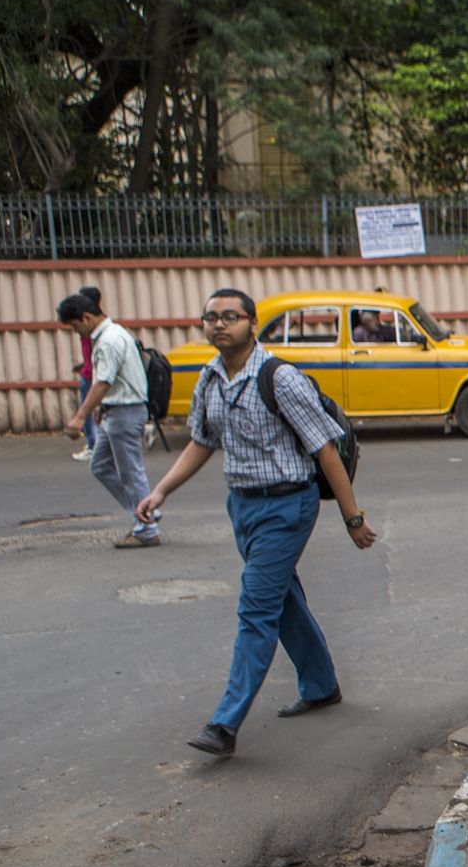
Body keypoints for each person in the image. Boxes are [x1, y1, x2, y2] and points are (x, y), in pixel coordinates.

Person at [136, 288, 378, 757]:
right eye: (210, 317)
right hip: (243, 506)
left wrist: (352, 518)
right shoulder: (209, 379)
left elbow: (325, 448)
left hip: (288, 506)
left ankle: (225, 724)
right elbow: (202, 442)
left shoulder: (279, 378)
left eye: (230, 316)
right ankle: (321, 685)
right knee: (281, 596)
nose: (219, 325)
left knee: (256, 606)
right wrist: (161, 489)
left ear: (251, 323)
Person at [58, 290, 160, 548]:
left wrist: (79, 417)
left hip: (125, 412)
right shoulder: (112, 334)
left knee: (131, 473)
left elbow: (104, 381)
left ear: (86, 317)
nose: (75, 332)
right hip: (115, 411)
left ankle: (146, 528)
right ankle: (146, 512)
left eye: (74, 326)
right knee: (101, 466)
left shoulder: (108, 341)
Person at [71, 286, 103, 461]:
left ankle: (93, 445)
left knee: (89, 412)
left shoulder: (92, 327)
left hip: (91, 377)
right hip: (89, 372)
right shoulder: (91, 324)